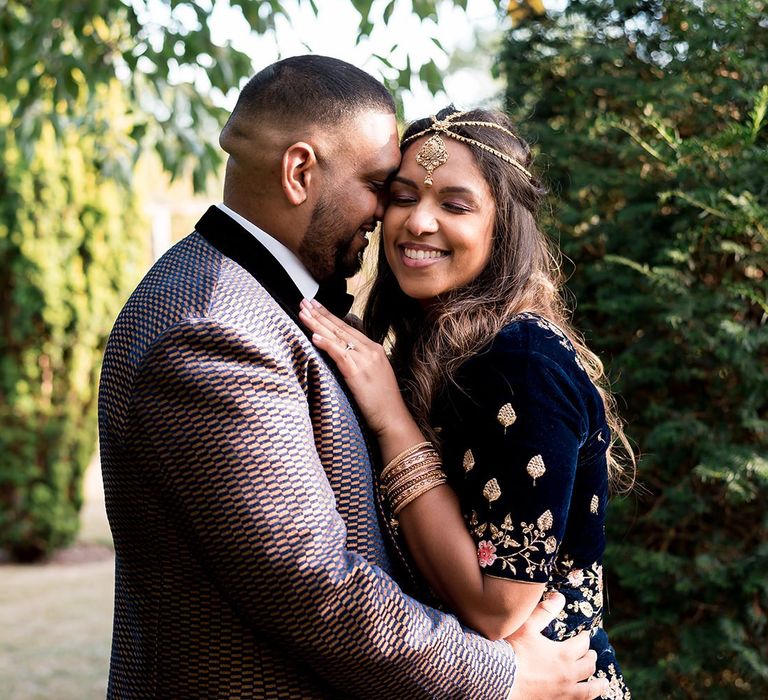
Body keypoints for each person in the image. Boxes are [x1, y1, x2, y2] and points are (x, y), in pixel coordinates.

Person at [98, 58, 609, 699]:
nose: (396, 217)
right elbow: (310, 583)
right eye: (384, 188)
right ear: (300, 172)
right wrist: (505, 675)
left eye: (451, 202)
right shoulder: (214, 329)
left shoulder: (263, 306)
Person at [299, 106, 634, 699]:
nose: (418, 222)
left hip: (550, 682)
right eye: (403, 197)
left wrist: (391, 420)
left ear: (503, 226)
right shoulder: (447, 349)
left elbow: (496, 609)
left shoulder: (519, 363)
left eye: (455, 205)